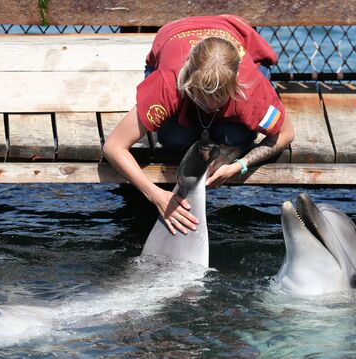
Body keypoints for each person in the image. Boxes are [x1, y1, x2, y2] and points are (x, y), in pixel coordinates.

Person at [104, 14, 294, 235]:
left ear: (236, 86)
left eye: (219, 98)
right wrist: (155, 195)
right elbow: (113, 147)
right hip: (174, 32)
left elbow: (286, 134)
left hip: (236, 32)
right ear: (188, 81)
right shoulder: (168, 84)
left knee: (236, 135)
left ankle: (230, 144)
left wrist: (238, 165)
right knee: (174, 139)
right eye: (202, 96)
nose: (210, 106)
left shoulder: (251, 88)